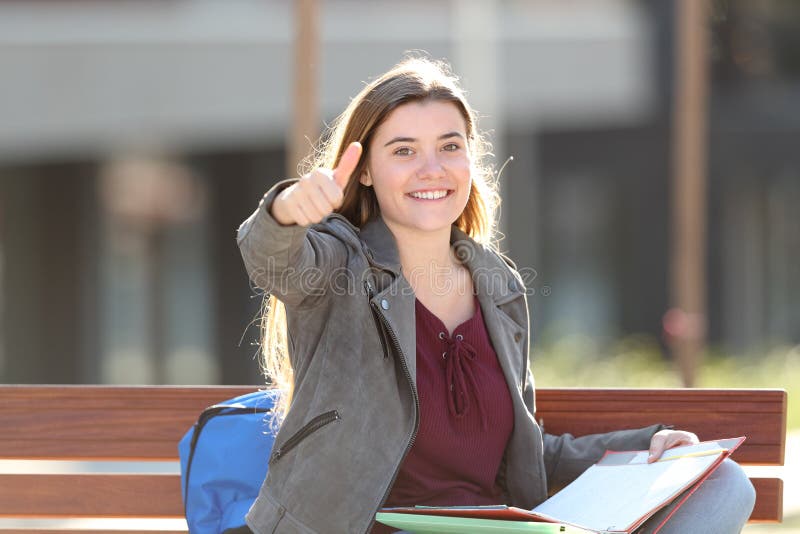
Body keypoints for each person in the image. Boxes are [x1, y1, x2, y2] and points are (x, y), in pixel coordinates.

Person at [237, 56, 755, 534]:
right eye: (403, 151)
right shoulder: (336, 266)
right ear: (366, 171)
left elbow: (530, 457)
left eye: (449, 146)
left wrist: (651, 447)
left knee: (726, 485)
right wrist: (288, 209)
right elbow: (270, 257)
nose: (432, 169)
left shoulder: (498, 286)